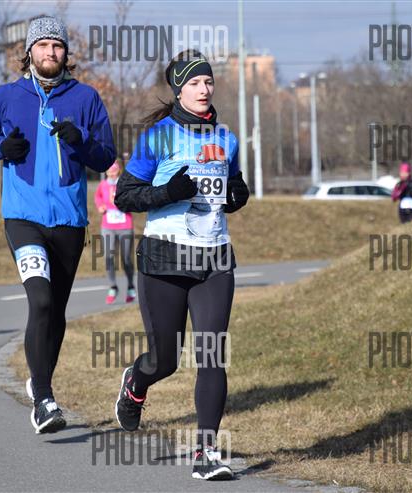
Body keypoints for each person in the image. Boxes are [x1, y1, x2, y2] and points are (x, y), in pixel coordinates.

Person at [0, 16, 115, 434]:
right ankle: (45, 401)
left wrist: (80, 141)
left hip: (69, 220)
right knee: (41, 300)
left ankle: (40, 381)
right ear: (29, 51)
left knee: (57, 312)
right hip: (23, 217)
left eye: (57, 46)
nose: (51, 52)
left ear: (66, 53)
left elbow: (106, 155)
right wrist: (2, 147)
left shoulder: (86, 97)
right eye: (43, 45)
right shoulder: (6, 96)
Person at [112, 50, 249, 480]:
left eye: (208, 82)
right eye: (194, 83)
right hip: (165, 259)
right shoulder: (158, 137)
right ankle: (136, 383)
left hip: (215, 258)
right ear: (178, 90)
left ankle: (206, 453)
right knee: (165, 360)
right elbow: (124, 196)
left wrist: (237, 195)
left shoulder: (227, 138)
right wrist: (168, 192)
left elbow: (234, 186)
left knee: (212, 355)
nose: (204, 89)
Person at [94, 161, 136, 304]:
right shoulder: (103, 185)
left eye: (115, 171)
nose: (112, 174)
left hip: (125, 225)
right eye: (110, 171)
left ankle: (130, 286)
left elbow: (132, 199)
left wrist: (120, 201)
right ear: (106, 172)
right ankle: (113, 286)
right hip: (108, 226)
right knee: (109, 257)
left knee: (126, 258)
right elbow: (98, 197)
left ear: (119, 171)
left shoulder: (124, 184)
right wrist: (100, 206)